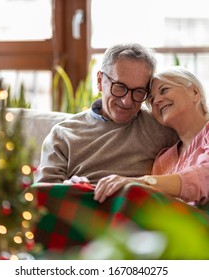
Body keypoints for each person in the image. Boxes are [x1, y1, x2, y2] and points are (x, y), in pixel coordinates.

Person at [94, 66, 209, 206]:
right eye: (151, 100)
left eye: (164, 90)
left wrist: (141, 182)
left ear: (195, 92)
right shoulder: (163, 160)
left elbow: (208, 177)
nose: (157, 101)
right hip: (188, 228)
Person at [34, 43, 178, 184]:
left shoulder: (161, 127)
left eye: (139, 91)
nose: (126, 101)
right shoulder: (63, 134)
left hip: (136, 204)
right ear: (99, 81)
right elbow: (44, 195)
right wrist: (68, 188)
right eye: (120, 87)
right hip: (82, 203)